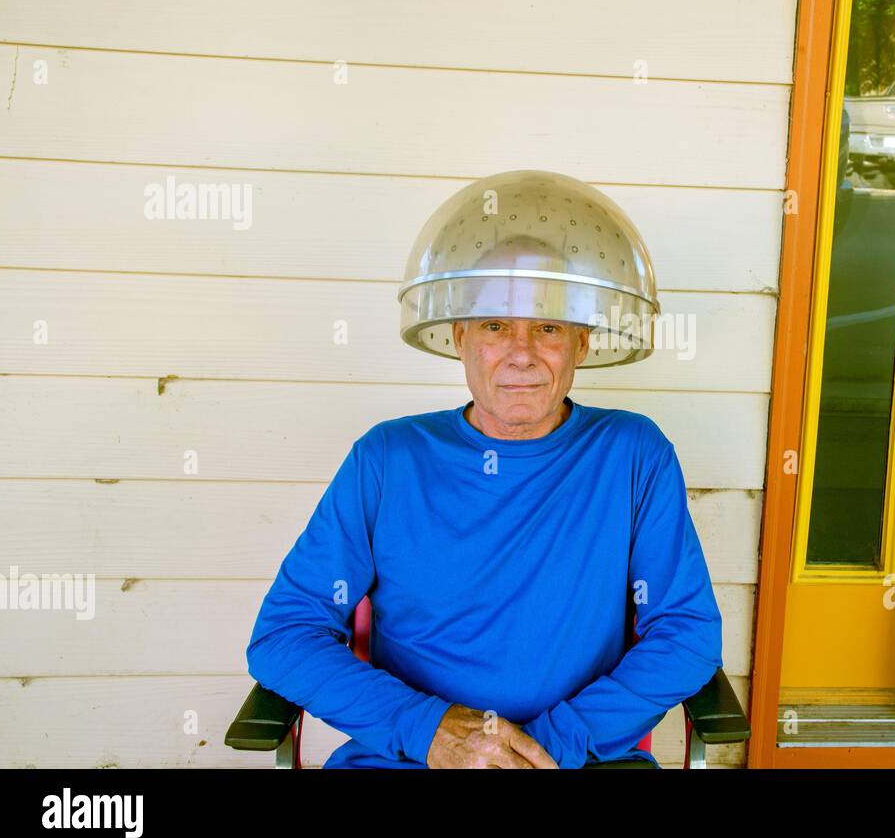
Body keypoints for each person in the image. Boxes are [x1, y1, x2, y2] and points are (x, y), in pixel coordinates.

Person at [244, 310, 724, 768]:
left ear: (581, 342)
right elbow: (286, 634)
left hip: (574, 759)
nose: (522, 354)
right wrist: (428, 731)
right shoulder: (387, 458)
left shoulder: (633, 452)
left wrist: (543, 746)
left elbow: (687, 634)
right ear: (459, 338)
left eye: (548, 327)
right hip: (412, 758)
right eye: (495, 326)